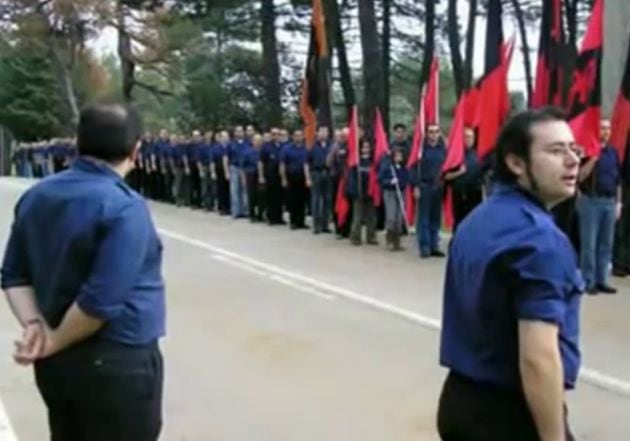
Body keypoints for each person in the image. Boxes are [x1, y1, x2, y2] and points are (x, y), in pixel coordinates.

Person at [1, 103, 165, 441]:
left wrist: (36, 327)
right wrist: (52, 341)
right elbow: (100, 302)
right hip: (116, 361)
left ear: (78, 145)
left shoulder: (37, 196)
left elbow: (14, 275)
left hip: (58, 367)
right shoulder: (124, 206)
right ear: (136, 150)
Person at [437, 107, 583, 441]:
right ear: (516, 163)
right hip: (511, 414)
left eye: (573, 149)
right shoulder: (539, 239)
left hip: (459, 400)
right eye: (555, 151)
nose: (572, 160)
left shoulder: (478, 219)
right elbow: (538, 359)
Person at [576, 119, 620, 294]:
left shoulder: (613, 153)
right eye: (602, 128)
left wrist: (619, 202)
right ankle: (588, 280)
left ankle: (602, 279)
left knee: (606, 244)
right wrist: (593, 158)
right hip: (590, 201)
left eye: (608, 129)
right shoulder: (586, 151)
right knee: (589, 244)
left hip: (609, 201)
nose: (606, 132)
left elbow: (618, 180)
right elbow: (579, 177)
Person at [411, 123, 446, 258]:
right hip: (424, 186)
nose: (433, 134)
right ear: (426, 134)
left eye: (436, 131)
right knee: (424, 218)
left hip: (438, 186)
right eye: (431, 132)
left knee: (435, 217)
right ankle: (424, 246)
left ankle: (434, 246)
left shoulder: (443, 149)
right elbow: (414, 168)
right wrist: (415, 186)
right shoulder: (421, 150)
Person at [443, 127, 484, 230]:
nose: (469, 139)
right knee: (459, 222)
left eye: (471, 137)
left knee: (474, 222)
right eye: (466, 137)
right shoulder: (455, 155)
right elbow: (446, 176)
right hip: (459, 193)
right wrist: (458, 172)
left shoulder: (478, 154)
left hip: (475, 193)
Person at [346, 139, 377, 245]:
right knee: (357, 217)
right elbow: (351, 177)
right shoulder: (356, 161)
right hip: (358, 192)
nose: (366, 149)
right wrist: (354, 190)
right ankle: (355, 237)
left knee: (371, 216)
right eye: (364, 147)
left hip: (370, 193)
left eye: (368, 147)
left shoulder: (373, 161)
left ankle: (371, 236)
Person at [379, 147, 409, 251]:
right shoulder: (388, 167)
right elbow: (381, 179)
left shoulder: (404, 168)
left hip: (401, 192)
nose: (398, 158)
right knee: (391, 217)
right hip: (390, 192)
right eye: (396, 155)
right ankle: (389, 240)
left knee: (399, 218)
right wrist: (390, 181)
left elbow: (406, 179)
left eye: (400, 156)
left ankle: (397, 242)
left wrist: (401, 182)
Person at [305, 126, 333, 234]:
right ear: (317, 133)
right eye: (321, 131)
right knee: (316, 200)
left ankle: (325, 225)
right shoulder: (312, 145)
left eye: (326, 131)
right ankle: (316, 226)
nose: (323, 134)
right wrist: (307, 178)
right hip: (316, 173)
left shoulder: (332, 145)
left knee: (327, 199)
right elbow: (306, 163)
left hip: (328, 173)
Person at [280, 129, 308, 230]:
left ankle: (301, 221)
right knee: (293, 201)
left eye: (300, 135)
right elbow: (282, 164)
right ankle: (293, 222)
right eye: (296, 135)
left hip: (303, 177)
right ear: (293, 137)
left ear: (303, 137)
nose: (298, 137)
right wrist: (283, 178)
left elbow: (307, 164)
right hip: (291, 177)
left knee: (302, 201)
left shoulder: (306, 148)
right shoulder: (286, 149)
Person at [260, 128, 286, 225]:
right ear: (271, 135)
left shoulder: (283, 146)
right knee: (271, 197)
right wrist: (261, 176)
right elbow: (261, 162)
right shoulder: (266, 147)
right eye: (274, 134)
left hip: (280, 175)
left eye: (278, 134)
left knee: (280, 197)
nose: (276, 136)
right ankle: (271, 218)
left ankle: (279, 217)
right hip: (270, 175)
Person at [241, 133, 265, 222]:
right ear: (252, 141)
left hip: (262, 175)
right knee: (251, 195)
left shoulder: (264, 151)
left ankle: (260, 214)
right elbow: (243, 167)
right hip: (250, 174)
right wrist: (243, 178)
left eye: (260, 140)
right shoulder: (247, 152)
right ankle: (252, 215)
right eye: (256, 140)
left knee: (262, 196)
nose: (258, 142)